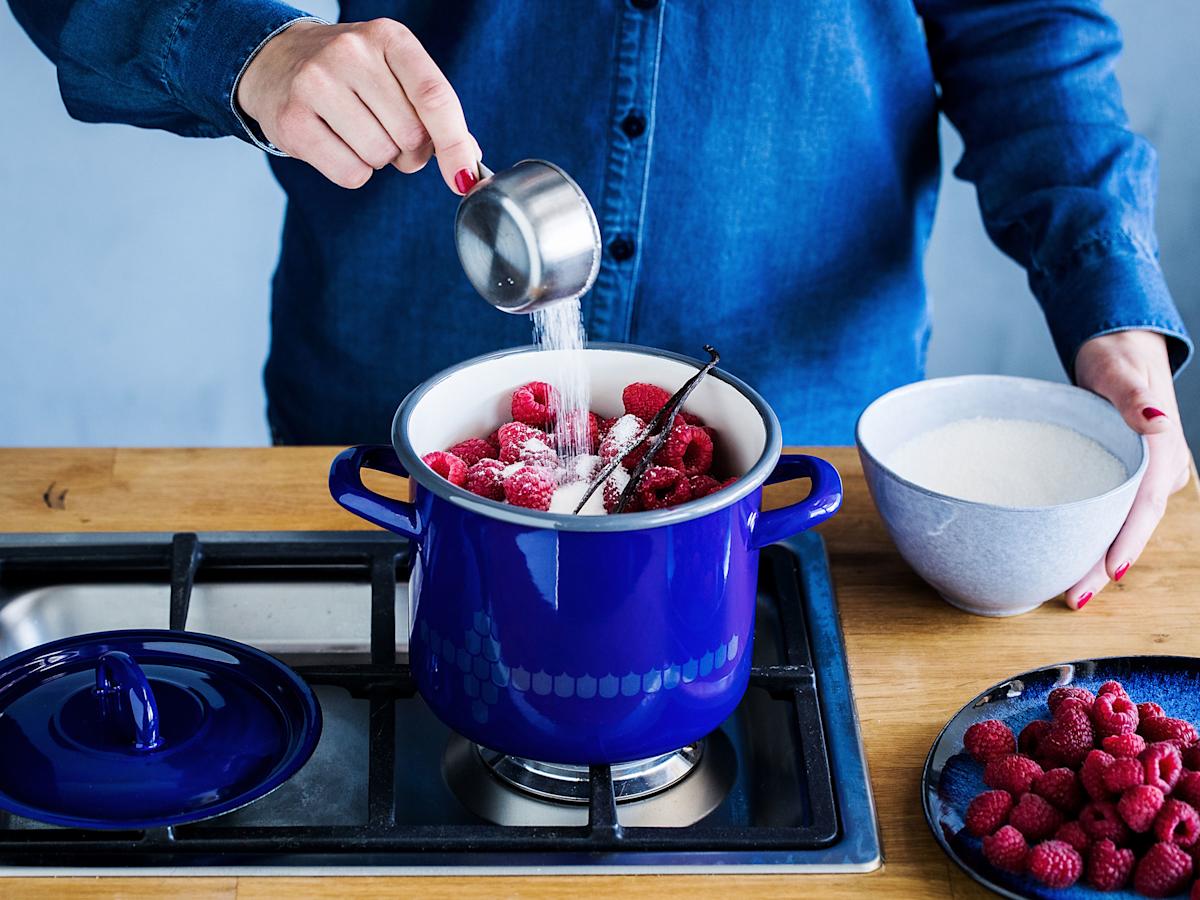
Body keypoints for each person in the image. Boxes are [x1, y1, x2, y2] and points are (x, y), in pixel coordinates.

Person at [8, 0, 1192, 610]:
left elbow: (1026, 28)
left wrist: (1112, 304)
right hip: (392, 406)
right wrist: (241, 48)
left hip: (802, 430)